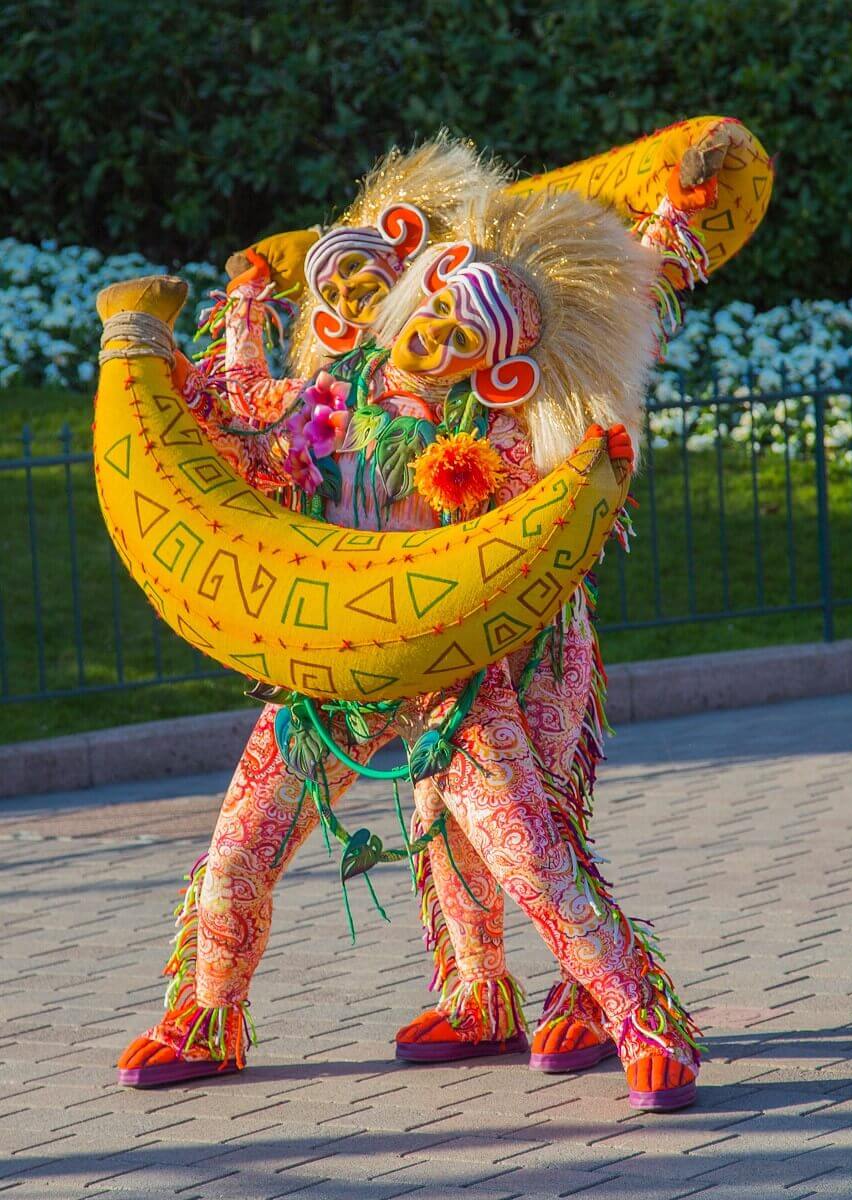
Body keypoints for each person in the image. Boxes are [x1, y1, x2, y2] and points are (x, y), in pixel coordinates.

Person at [117, 175, 702, 1112]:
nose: (434, 338)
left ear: (493, 364)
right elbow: (245, 426)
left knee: (523, 854)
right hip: (328, 664)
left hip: (454, 679)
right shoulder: (327, 390)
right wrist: (229, 320)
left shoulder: (500, 435)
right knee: (238, 849)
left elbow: (542, 522)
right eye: (433, 316)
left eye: (464, 337)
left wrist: (599, 461)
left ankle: (636, 1016)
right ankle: (206, 1016)